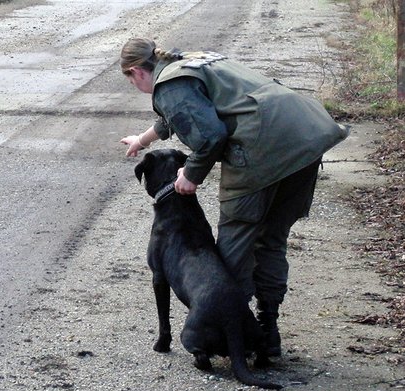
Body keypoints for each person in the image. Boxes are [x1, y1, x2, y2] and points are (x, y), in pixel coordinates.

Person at [119, 38, 349, 356]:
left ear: (136, 72)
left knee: (228, 252)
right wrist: (143, 140)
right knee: (271, 239)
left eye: (131, 82)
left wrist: (190, 174)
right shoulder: (193, 60)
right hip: (304, 139)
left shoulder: (168, 85)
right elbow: (183, 113)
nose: (135, 86)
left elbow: (210, 135)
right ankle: (267, 333)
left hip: (261, 149)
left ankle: (231, 337)